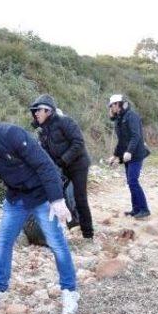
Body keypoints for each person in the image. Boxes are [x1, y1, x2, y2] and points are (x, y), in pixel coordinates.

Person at [0, 115, 79, 314]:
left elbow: (45, 165)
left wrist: (58, 200)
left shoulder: (9, 134)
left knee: (56, 243)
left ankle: (70, 291)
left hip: (42, 196)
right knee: (3, 241)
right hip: (15, 199)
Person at [30, 94, 94, 239]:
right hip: (63, 167)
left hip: (78, 164)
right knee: (59, 195)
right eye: (35, 111)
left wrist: (62, 161)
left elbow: (78, 143)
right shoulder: (43, 132)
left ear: (48, 110)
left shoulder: (65, 122)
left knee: (80, 197)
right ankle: (73, 225)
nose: (36, 114)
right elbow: (45, 155)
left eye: (38, 110)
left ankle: (88, 234)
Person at [107, 94, 151, 219]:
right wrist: (115, 156)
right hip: (127, 156)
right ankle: (136, 209)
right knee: (130, 181)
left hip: (136, 154)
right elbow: (121, 141)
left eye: (112, 105)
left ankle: (144, 209)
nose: (111, 108)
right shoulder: (119, 119)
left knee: (133, 180)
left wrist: (130, 151)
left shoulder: (132, 116)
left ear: (118, 104)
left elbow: (136, 136)